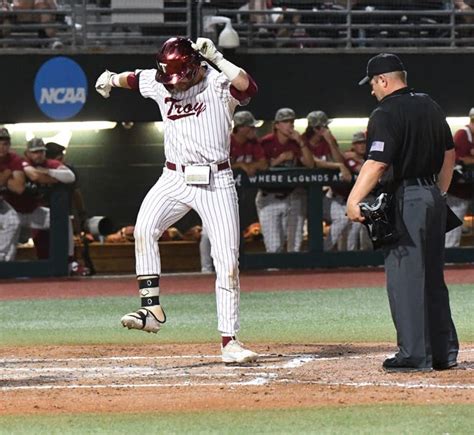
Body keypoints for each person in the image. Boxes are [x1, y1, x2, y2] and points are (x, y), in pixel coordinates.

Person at [95, 36, 259, 363]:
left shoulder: (216, 82)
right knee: (144, 229)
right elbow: (134, 78)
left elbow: (249, 86)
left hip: (216, 180)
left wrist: (217, 57)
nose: (174, 84)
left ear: (197, 65)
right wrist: (110, 78)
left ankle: (229, 341)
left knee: (226, 263)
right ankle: (151, 309)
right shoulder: (161, 81)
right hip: (173, 176)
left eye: (181, 75)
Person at [347, 53, 459, 371]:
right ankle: (443, 353)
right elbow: (449, 155)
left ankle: (414, 355)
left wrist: (354, 199)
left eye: (372, 83)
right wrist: (438, 192)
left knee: (406, 280)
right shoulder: (431, 105)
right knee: (433, 279)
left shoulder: (385, 112)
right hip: (433, 199)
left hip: (407, 198)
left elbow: (377, 162)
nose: (372, 90)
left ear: (384, 80)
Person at [5, 137, 75, 260]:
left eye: (41, 151)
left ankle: (69, 258)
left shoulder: (49, 164)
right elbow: (34, 176)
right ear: (27, 153)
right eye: (35, 152)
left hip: (33, 211)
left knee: (63, 218)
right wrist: (52, 178)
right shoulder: (21, 162)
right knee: (8, 251)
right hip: (13, 213)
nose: (39, 155)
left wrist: (48, 171)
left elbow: (70, 177)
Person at [256, 107, 314, 253]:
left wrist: (301, 142)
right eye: (286, 122)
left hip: (291, 196)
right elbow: (259, 168)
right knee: (274, 246)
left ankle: (293, 275)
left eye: (292, 122)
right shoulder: (266, 142)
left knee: (295, 244)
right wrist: (280, 159)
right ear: (277, 125)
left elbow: (310, 164)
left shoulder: (296, 142)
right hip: (269, 197)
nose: (290, 125)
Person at [302, 110, 353, 251]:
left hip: (324, 194)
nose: (327, 129)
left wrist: (331, 142)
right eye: (324, 127)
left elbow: (339, 159)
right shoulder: (302, 141)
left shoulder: (328, 140)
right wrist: (338, 166)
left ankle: (323, 252)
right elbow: (312, 162)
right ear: (316, 128)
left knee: (342, 218)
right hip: (302, 194)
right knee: (296, 232)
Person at [45, 141, 91, 275]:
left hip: (63, 212)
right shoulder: (39, 169)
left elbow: (76, 192)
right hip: (41, 211)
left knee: (67, 243)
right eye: (60, 158)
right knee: (44, 248)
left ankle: (70, 266)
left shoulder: (67, 170)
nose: (62, 160)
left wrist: (82, 213)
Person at [445, 107, 474, 247]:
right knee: (452, 233)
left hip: (468, 191)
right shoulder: (463, 135)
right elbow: (456, 162)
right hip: (456, 193)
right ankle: (448, 262)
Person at [0, 127, 25, 262]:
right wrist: (7, 173)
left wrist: (4, 178)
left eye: (5, 144)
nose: (2, 147)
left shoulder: (13, 158)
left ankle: (4, 264)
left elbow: (19, 188)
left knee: (13, 221)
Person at [344, 130, 372, 250]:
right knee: (353, 230)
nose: (362, 146)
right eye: (358, 143)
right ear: (353, 145)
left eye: (364, 143)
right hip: (350, 200)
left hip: (370, 198)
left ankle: (368, 257)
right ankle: (350, 258)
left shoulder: (370, 157)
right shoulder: (349, 158)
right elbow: (361, 170)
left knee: (369, 229)